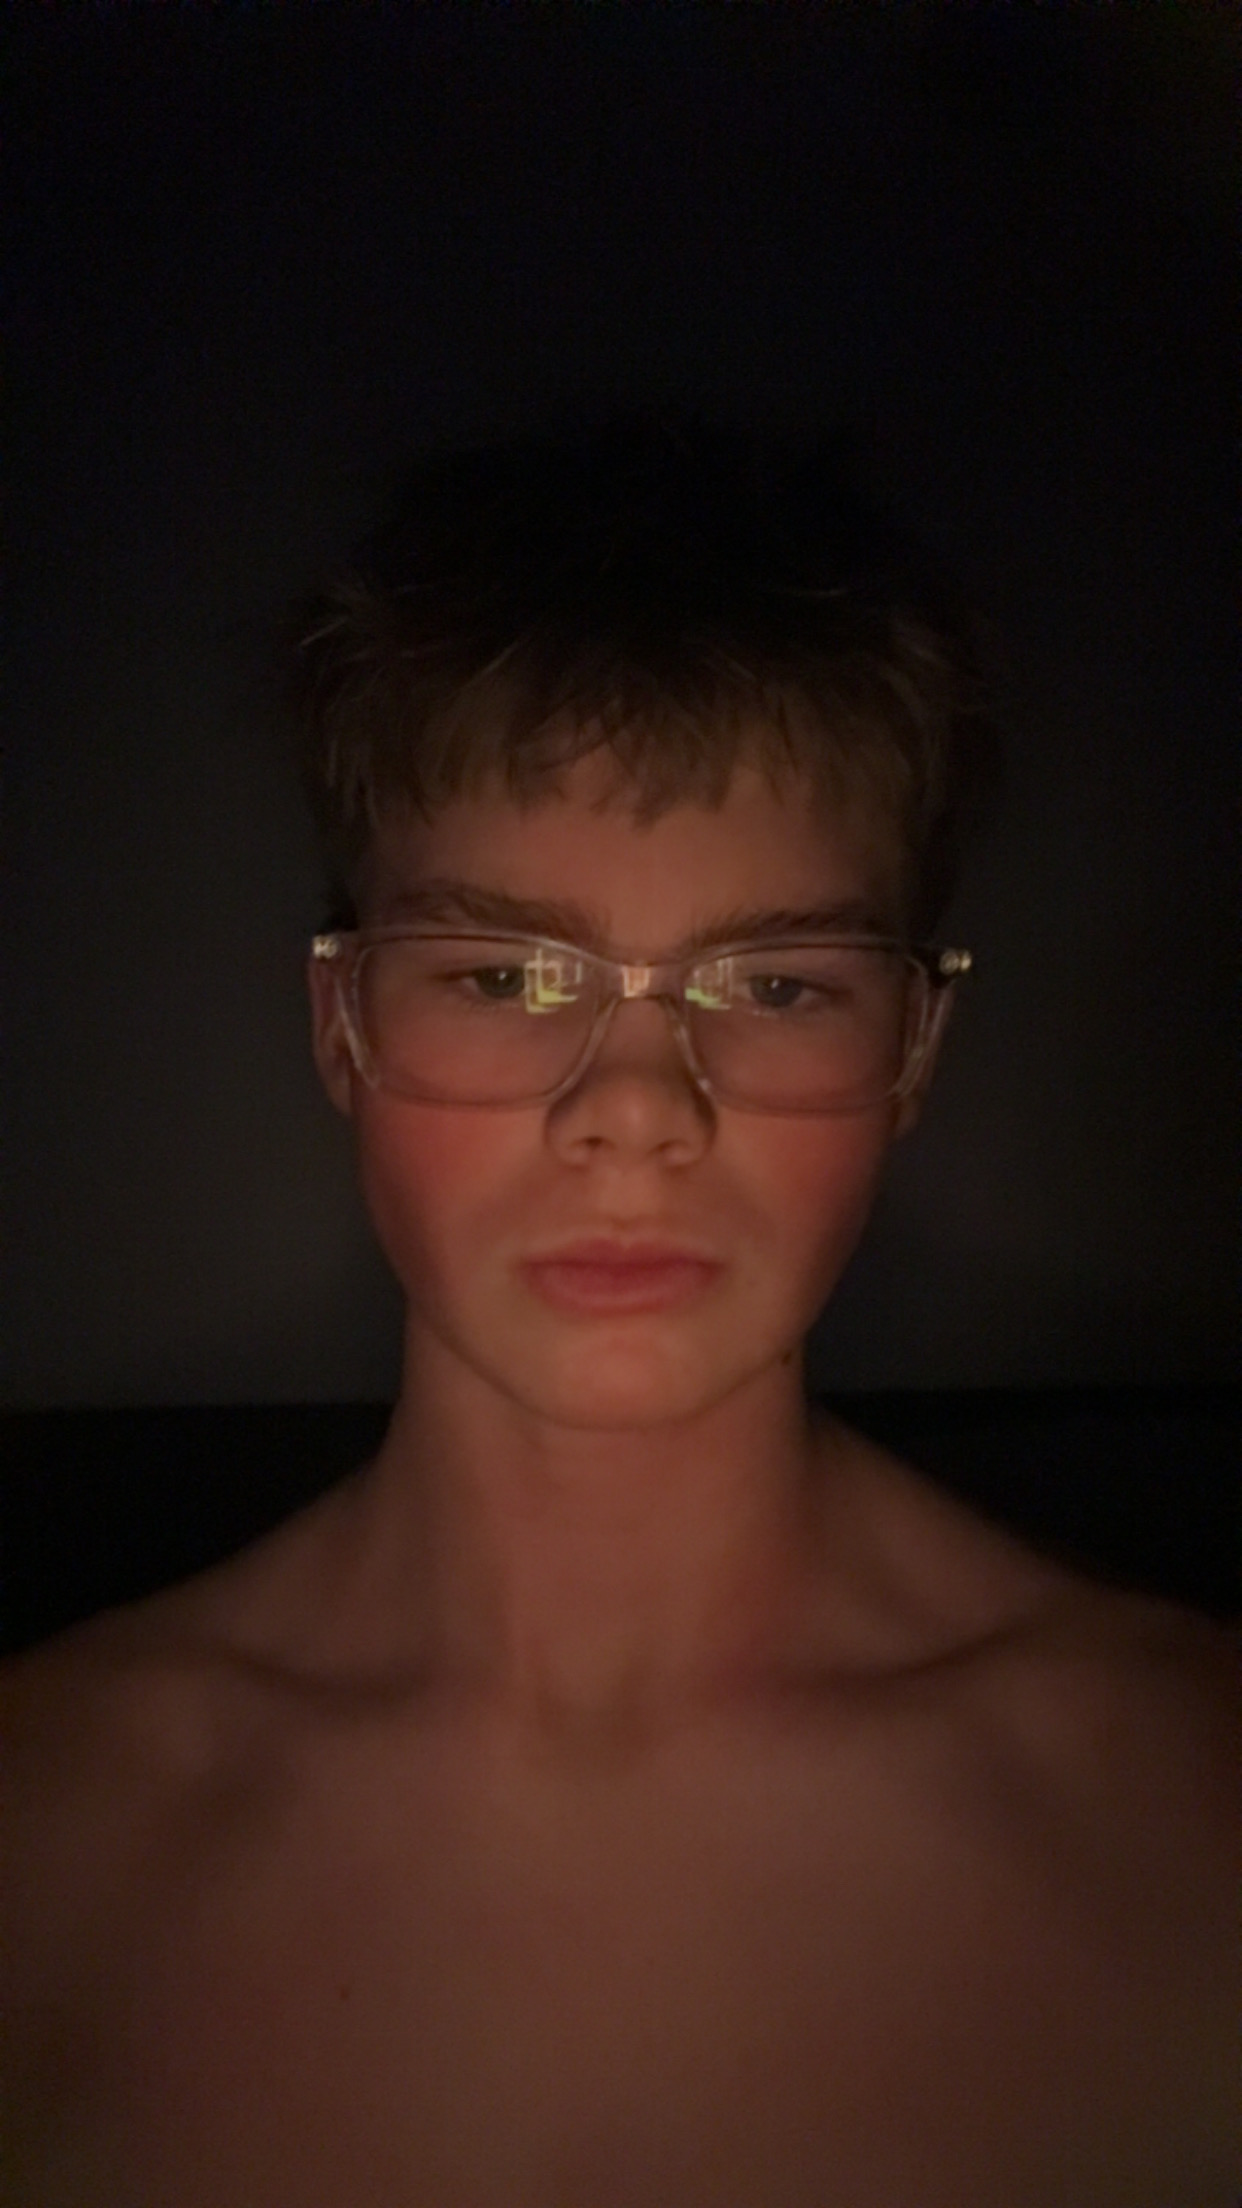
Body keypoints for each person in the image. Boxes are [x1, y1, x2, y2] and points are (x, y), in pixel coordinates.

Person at [2, 418, 1236, 2206]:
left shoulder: (1189, 1811)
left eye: (777, 982)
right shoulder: (45, 1837)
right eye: (507, 973)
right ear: (341, 1024)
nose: (638, 1107)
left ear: (912, 1046)